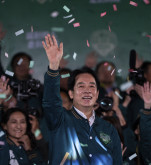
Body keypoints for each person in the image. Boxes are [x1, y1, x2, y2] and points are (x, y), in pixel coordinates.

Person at [41, 34, 122, 164]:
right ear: (71, 94)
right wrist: (54, 66)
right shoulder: (60, 120)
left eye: (91, 86)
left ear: (97, 94)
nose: (87, 90)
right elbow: (50, 101)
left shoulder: (108, 128)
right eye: (81, 86)